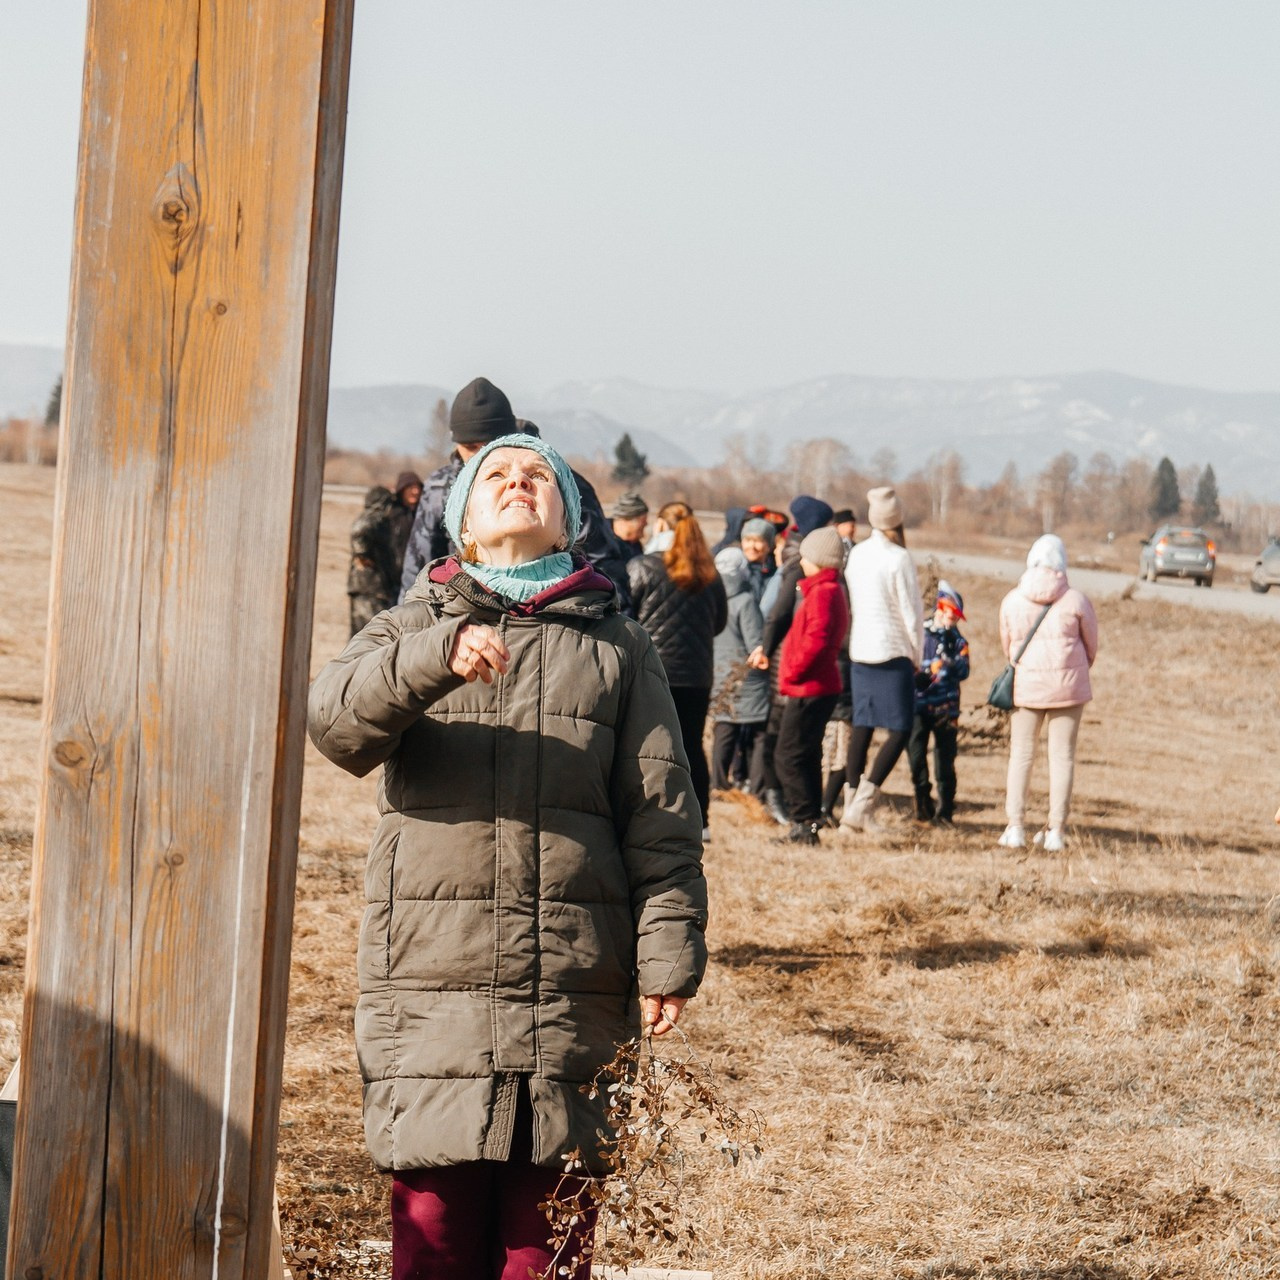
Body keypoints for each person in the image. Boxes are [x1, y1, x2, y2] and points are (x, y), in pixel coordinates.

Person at [307, 433, 708, 1280]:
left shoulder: (619, 647)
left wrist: (668, 952)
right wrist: (437, 659)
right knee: (434, 1240)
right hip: (432, 987)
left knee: (546, 1252)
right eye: (496, 474)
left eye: (538, 476)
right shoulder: (412, 624)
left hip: (574, 985)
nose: (518, 482)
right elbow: (336, 726)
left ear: (567, 519)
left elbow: (662, 814)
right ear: (463, 519)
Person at [399, 380, 632, 613]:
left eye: (489, 444)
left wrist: (611, 622)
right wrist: (421, 624)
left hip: (560, 612)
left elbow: (604, 563)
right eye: (470, 447)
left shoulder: (560, 483)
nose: (481, 454)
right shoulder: (439, 487)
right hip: (463, 613)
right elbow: (418, 564)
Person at [628, 502, 728, 839]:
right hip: (697, 674)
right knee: (692, 746)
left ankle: (649, 815)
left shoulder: (642, 567)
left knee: (647, 745)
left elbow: (626, 617)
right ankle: (702, 822)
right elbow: (719, 623)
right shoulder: (708, 573)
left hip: (653, 669)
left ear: (659, 526)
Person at [996, 534, 1098, 852]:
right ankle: (1056, 830)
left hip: (1027, 686)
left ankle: (1015, 827)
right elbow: (1091, 645)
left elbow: (1007, 646)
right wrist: (1075, 668)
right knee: (1062, 757)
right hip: (1068, 687)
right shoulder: (1076, 600)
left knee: (1021, 755)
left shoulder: (1012, 600)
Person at [838, 486, 924, 834]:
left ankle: (851, 804)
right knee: (900, 728)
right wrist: (917, 654)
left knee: (863, 725)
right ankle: (862, 805)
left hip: (861, 649)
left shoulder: (857, 553)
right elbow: (911, 612)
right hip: (892, 649)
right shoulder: (899, 558)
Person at [752, 496, 834, 825]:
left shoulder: (814, 570)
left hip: (795, 666)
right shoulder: (801, 565)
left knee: (790, 744)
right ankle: (780, 800)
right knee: (784, 741)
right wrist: (767, 649)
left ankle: (796, 811)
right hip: (787, 664)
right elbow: (778, 613)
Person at [773, 528, 850, 844]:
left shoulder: (823, 593)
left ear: (819, 560)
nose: (801, 562)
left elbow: (816, 641)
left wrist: (793, 671)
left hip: (810, 686)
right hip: (816, 685)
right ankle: (809, 822)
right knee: (804, 755)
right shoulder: (827, 590)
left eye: (805, 557)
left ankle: (803, 823)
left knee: (788, 756)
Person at [907, 580, 970, 824]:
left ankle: (945, 811)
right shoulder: (920, 633)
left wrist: (949, 660)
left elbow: (964, 671)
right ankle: (922, 802)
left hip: (946, 707)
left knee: (945, 760)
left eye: (956, 618)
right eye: (949, 614)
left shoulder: (959, 642)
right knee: (916, 755)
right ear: (939, 609)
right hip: (918, 704)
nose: (951, 621)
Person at [710, 547, 770, 793]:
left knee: (724, 729)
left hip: (718, 671)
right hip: (745, 675)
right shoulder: (745, 601)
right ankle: (756, 788)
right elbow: (755, 644)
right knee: (759, 733)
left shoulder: (710, 598)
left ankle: (718, 784)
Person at [347, 485, 398, 636]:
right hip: (369, 587)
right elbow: (358, 531)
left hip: (369, 587)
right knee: (370, 633)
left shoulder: (379, 519)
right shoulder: (374, 517)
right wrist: (362, 555)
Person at [389, 469, 424, 584]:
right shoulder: (391, 514)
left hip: (415, 573)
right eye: (410, 487)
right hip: (393, 573)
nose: (415, 491)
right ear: (402, 489)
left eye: (418, 487)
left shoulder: (423, 515)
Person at [739, 517, 777, 601]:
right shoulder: (736, 571)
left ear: (769, 546)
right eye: (748, 540)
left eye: (758, 541)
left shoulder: (775, 573)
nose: (752, 546)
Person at [610, 491, 650, 561]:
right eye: (643, 520)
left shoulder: (636, 546)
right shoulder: (601, 543)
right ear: (627, 519)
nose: (646, 523)